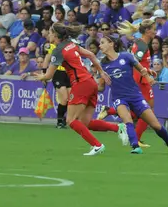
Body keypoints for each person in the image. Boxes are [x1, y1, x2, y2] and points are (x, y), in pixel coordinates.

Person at [35, 23, 115, 156]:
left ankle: (97, 145)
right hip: (90, 82)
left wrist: (41, 76)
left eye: (50, 32)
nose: (48, 35)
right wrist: (101, 72)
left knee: (71, 120)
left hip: (80, 84)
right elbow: (91, 55)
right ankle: (118, 128)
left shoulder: (58, 50)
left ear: (55, 35)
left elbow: (49, 75)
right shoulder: (71, 44)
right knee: (85, 122)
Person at [97, 35, 168, 155]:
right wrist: (88, 84)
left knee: (155, 125)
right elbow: (100, 87)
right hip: (119, 98)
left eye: (103, 42)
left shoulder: (126, 56)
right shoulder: (103, 64)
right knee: (127, 120)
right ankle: (135, 146)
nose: (100, 45)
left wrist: (149, 77)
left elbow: (141, 69)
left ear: (111, 44)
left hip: (135, 96)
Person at [98, 19, 158, 148]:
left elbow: (139, 62)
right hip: (141, 80)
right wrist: (147, 75)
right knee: (148, 109)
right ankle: (137, 138)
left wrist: (148, 69)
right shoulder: (142, 45)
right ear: (147, 31)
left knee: (142, 109)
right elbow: (136, 61)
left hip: (140, 78)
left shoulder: (140, 43)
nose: (155, 31)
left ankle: (111, 111)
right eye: (153, 28)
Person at [44, 42, 72, 129]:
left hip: (68, 73)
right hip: (58, 73)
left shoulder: (69, 45)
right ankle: (59, 121)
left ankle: (64, 119)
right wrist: (44, 73)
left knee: (70, 99)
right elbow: (47, 58)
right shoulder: (52, 46)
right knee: (64, 98)